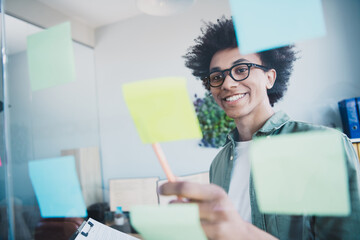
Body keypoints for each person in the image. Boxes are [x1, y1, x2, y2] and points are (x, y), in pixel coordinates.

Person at [160, 17, 360, 239]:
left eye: (241, 69)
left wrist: (243, 232)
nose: (227, 84)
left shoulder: (325, 146)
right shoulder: (218, 164)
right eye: (217, 77)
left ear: (269, 77)